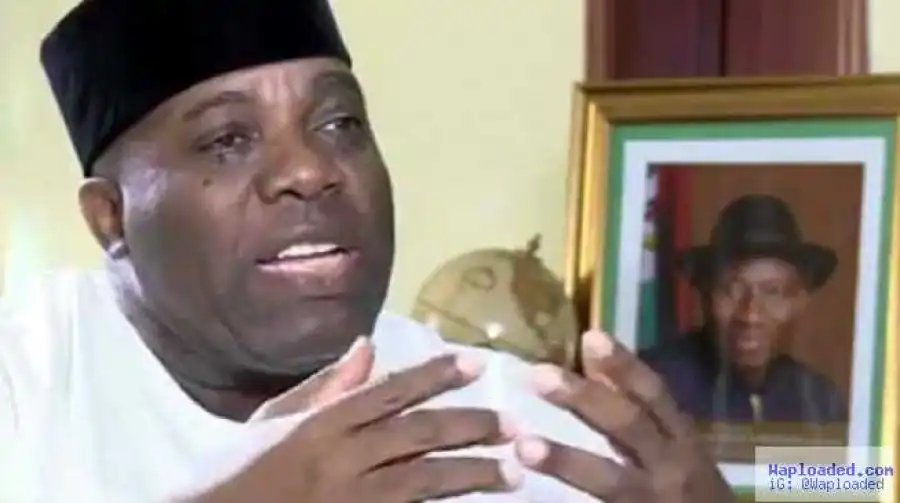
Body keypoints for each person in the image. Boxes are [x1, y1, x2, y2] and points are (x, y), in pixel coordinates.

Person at [0, 0, 735, 501]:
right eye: (227, 140)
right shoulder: (26, 376)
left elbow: (808, 472)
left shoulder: (497, 406)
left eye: (339, 123)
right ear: (111, 219)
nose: (309, 170)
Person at [640, 195, 847, 424]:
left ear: (799, 302)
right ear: (704, 294)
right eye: (731, 291)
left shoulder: (818, 401)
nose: (750, 315)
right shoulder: (655, 385)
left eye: (772, 292)